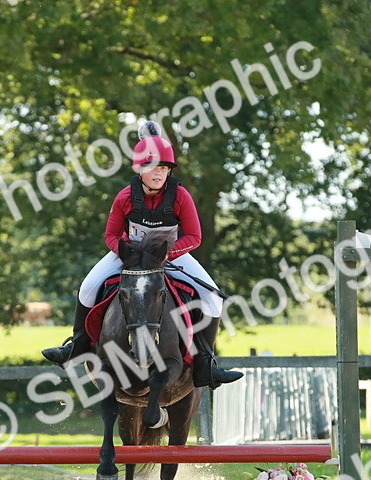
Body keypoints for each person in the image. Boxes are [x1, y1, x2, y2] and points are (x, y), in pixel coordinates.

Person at [41, 122, 243, 389]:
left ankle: (207, 365)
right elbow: (110, 236)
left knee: (213, 298)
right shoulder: (125, 196)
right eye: (152, 168)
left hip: (171, 253)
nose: (158, 174)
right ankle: (76, 347)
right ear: (140, 171)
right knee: (88, 288)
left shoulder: (180, 196)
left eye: (163, 168)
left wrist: (165, 255)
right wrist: (128, 254)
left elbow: (194, 237)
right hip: (131, 253)